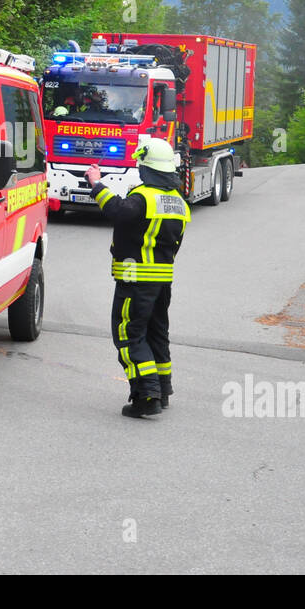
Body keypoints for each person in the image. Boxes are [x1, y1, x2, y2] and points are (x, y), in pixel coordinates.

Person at [85, 136, 191, 418]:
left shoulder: (143, 197)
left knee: (130, 335)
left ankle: (147, 397)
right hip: (162, 281)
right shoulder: (178, 202)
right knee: (157, 333)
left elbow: (118, 212)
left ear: (147, 167)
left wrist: (96, 183)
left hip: (136, 281)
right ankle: (163, 389)